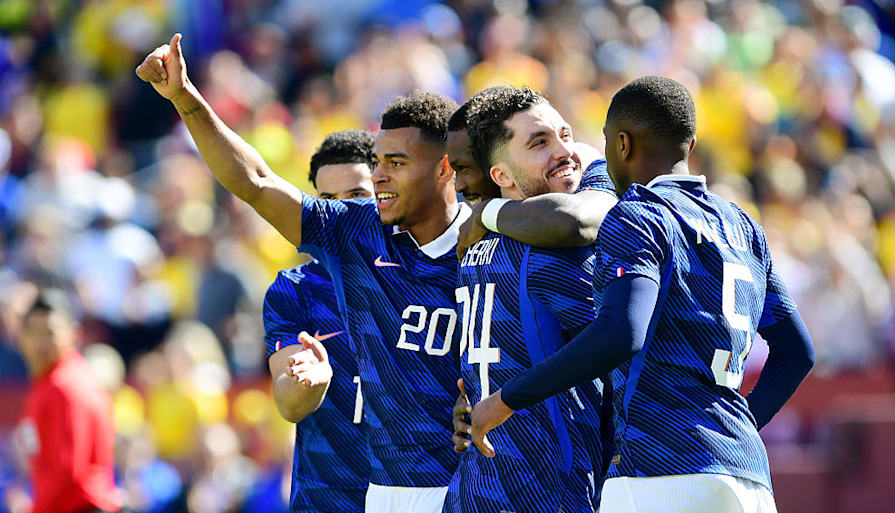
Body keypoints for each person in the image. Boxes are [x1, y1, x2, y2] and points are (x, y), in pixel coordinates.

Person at [136, 34, 464, 512]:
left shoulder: (492, 242)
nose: (379, 178)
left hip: (472, 485)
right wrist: (185, 97)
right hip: (373, 496)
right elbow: (257, 182)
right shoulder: (354, 236)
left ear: (445, 171)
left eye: (396, 164)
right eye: (378, 164)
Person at [470, 76, 816, 512]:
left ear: (622, 145)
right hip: (746, 474)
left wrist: (503, 401)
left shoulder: (635, 216)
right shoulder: (744, 226)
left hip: (656, 470)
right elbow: (797, 352)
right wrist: (741, 424)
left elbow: (620, 335)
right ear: (689, 147)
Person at [444, 86, 616, 513]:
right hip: (549, 484)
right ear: (501, 175)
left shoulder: (475, 247)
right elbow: (623, 345)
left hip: (476, 485)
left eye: (565, 135)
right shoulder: (549, 249)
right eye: (540, 143)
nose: (564, 151)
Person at [264, 130, 376, 513]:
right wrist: (308, 384)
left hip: (421, 492)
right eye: (328, 200)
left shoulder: (430, 270)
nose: (342, 212)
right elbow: (289, 406)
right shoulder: (293, 290)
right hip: (326, 499)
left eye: (358, 196)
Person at [14, 290, 123, 513]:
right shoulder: (51, 381)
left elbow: (66, 471)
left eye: (50, 333)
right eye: (33, 332)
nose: (40, 342)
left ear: (74, 334)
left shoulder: (65, 386)